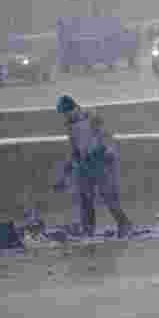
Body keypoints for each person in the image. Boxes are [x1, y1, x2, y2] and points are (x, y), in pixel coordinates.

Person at [55, 95, 133, 238]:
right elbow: (75, 149)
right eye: (64, 114)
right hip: (85, 162)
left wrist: (110, 151)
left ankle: (124, 224)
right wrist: (64, 175)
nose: (65, 116)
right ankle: (88, 230)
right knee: (85, 198)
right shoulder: (69, 124)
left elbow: (107, 136)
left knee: (108, 196)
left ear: (74, 108)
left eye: (66, 113)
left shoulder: (91, 117)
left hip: (101, 159)